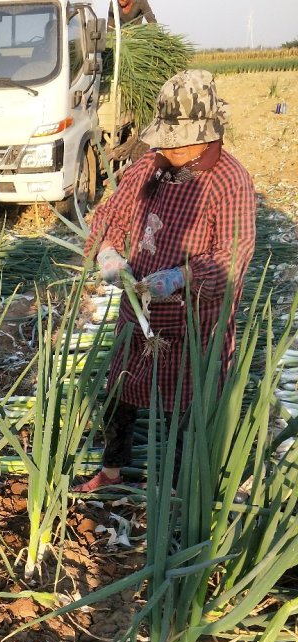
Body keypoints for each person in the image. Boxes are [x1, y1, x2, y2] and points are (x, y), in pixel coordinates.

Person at [74, 69, 256, 493]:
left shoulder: (230, 181)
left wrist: (181, 277)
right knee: (119, 392)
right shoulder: (150, 168)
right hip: (138, 312)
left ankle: (177, 494)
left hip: (196, 321)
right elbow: (111, 216)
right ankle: (111, 471)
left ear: (203, 137)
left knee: (186, 410)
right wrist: (108, 252)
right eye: (165, 138)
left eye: (176, 140)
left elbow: (234, 254)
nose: (166, 146)